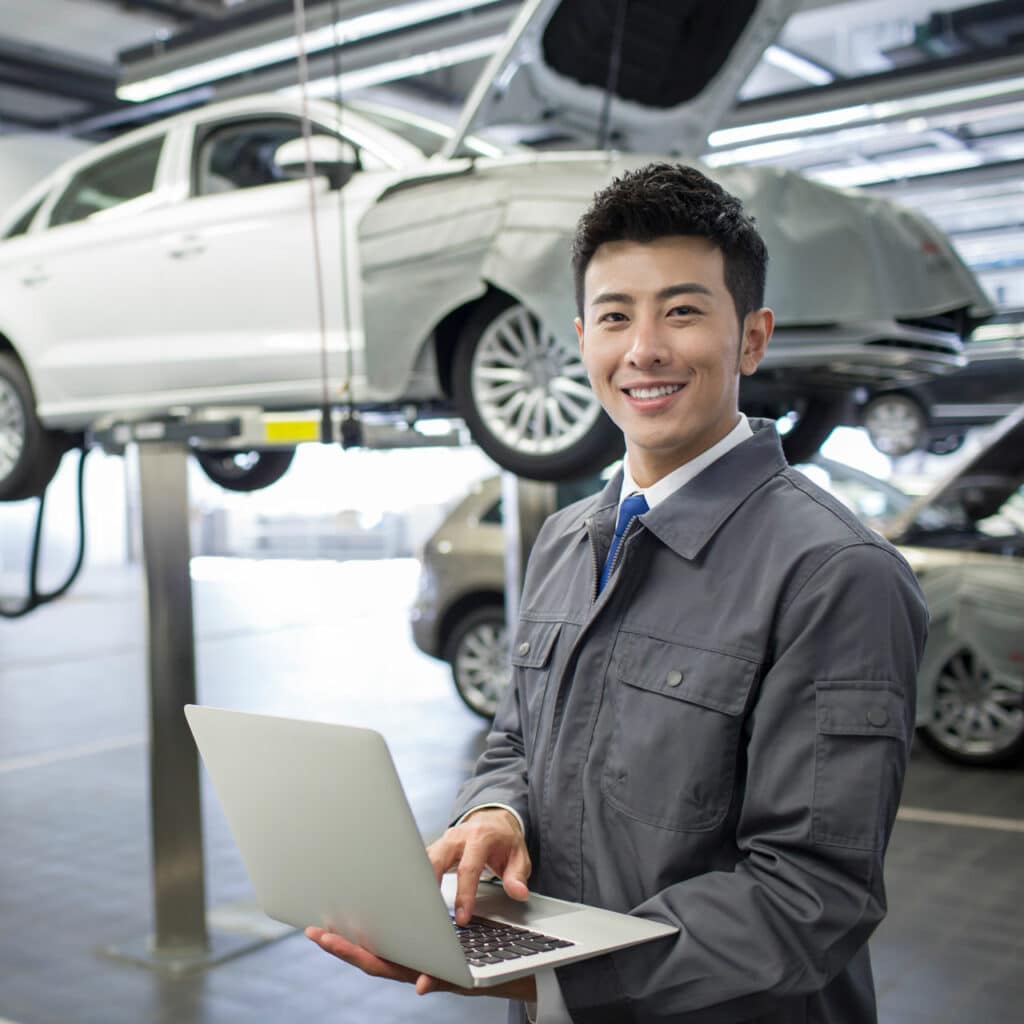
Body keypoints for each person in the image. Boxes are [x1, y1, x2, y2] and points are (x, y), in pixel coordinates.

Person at [306, 162, 928, 1023]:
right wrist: (497, 814)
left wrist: (540, 974)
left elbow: (809, 898)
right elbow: (518, 741)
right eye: (614, 317)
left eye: (682, 310)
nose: (643, 349)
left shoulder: (834, 575)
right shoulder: (568, 540)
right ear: (581, 340)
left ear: (751, 338)